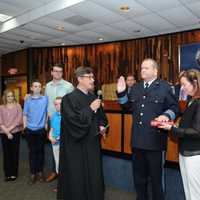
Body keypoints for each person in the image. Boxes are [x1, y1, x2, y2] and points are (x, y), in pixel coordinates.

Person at [117, 58, 179, 200]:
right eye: (142, 68)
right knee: (139, 179)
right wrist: (121, 93)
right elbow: (128, 107)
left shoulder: (164, 87)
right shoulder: (137, 87)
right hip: (137, 141)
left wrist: (165, 115)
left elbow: (175, 107)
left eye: (146, 68)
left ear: (155, 71)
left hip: (155, 142)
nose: (142, 70)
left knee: (157, 181)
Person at [57, 66, 108, 200]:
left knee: (94, 174)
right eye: (89, 77)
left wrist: (102, 126)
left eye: (93, 77)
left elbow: (101, 118)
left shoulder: (93, 97)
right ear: (79, 79)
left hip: (92, 144)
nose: (93, 80)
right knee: (77, 176)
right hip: (76, 147)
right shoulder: (68, 99)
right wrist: (90, 109)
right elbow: (74, 122)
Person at [159, 69, 200, 200]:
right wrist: (175, 126)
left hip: (194, 154)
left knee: (195, 193)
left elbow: (197, 131)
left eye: (185, 85)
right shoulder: (191, 100)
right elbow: (188, 125)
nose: (183, 88)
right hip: (185, 151)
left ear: (195, 82)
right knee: (188, 191)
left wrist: (173, 129)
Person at [45, 63, 74, 182]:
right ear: (51, 72)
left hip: (65, 122)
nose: (58, 73)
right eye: (55, 71)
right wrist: (47, 121)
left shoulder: (69, 86)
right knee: (54, 147)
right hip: (53, 121)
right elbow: (47, 104)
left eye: (60, 71)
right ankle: (55, 171)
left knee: (66, 150)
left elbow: (72, 104)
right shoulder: (47, 86)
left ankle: (66, 176)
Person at [23, 80, 48, 184]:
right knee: (32, 152)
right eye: (35, 86)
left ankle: (40, 172)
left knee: (41, 151)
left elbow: (47, 112)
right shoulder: (27, 100)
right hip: (30, 130)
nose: (37, 88)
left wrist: (46, 124)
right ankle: (33, 173)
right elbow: (24, 114)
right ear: (31, 88)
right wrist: (25, 127)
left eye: (39, 86)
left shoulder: (45, 99)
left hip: (41, 129)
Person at [0, 89, 23, 181]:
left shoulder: (18, 106)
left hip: (15, 132)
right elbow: (0, 121)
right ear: (5, 97)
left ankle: (14, 173)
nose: (10, 98)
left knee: (14, 153)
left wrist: (9, 130)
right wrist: (6, 132)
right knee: (6, 153)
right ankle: (7, 173)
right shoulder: (1, 107)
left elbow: (19, 120)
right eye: (8, 96)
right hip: (4, 133)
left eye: (12, 96)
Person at [48, 97, 62, 192]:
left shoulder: (68, 116)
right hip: (54, 144)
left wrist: (58, 138)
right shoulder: (53, 116)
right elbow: (52, 129)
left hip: (64, 144)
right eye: (56, 104)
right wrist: (50, 137)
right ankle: (60, 185)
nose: (58, 106)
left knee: (64, 165)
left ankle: (65, 186)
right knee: (57, 164)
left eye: (60, 103)